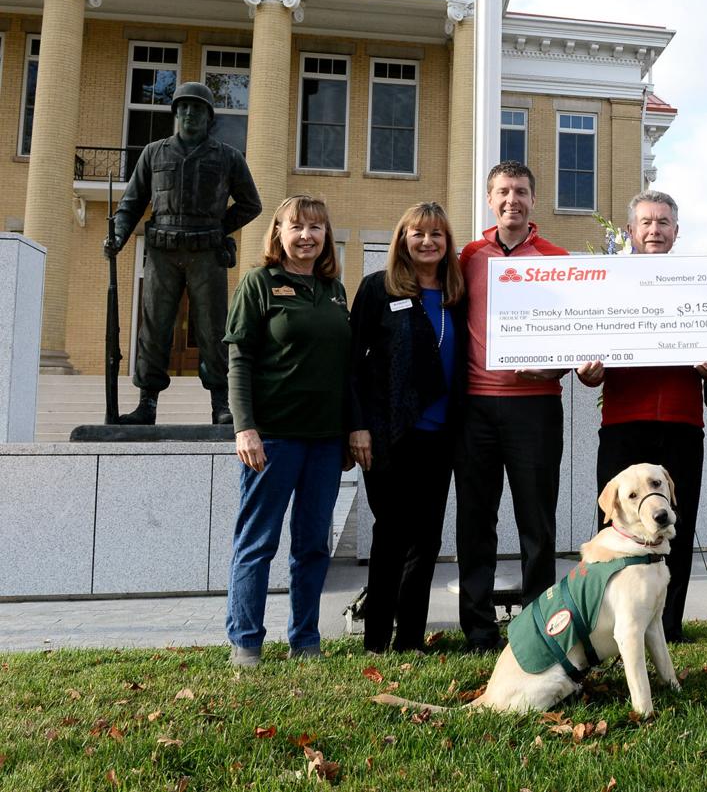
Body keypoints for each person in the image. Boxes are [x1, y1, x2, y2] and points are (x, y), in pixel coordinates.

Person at [575, 190, 707, 644]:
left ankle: (668, 625)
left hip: (681, 422)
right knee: (614, 521)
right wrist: (588, 371)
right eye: (646, 223)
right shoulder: (607, 283)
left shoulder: (700, 283)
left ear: (677, 232)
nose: (654, 230)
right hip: (623, 421)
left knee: (677, 519)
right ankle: (602, 621)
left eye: (663, 223)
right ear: (631, 232)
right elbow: (589, 363)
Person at [223, 195, 351, 667]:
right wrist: (245, 429)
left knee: (314, 544)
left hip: (324, 441)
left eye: (316, 227)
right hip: (272, 437)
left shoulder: (334, 290)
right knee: (258, 543)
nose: (307, 236)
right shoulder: (259, 283)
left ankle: (305, 640)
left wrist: (350, 429)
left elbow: (346, 370)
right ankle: (246, 644)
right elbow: (239, 361)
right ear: (278, 232)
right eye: (296, 226)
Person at [455, 161, 570, 653]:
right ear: (489, 199)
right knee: (475, 521)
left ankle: (538, 627)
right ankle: (478, 629)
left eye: (521, 191)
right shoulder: (468, 256)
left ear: (533, 199)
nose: (511, 200)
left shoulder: (558, 258)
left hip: (535, 408)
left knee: (537, 523)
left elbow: (576, 334)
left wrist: (559, 366)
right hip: (475, 407)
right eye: (502, 191)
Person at [347, 202, 467, 654]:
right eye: (417, 233)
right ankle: (376, 639)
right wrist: (357, 427)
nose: (427, 242)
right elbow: (353, 367)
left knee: (427, 538)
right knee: (392, 533)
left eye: (436, 234)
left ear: (446, 243)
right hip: (388, 436)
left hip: (441, 437)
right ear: (402, 239)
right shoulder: (378, 289)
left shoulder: (457, 294)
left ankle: (410, 639)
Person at [105, 81, 262, 425]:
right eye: (184, 108)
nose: (190, 113)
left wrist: (220, 228)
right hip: (162, 252)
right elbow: (131, 204)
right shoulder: (153, 153)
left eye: (198, 108)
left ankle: (221, 403)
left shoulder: (228, 157)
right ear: (176, 113)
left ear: (209, 116)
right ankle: (147, 402)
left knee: (212, 329)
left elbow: (252, 204)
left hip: (206, 253)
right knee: (154, 328)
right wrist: (118, 235)